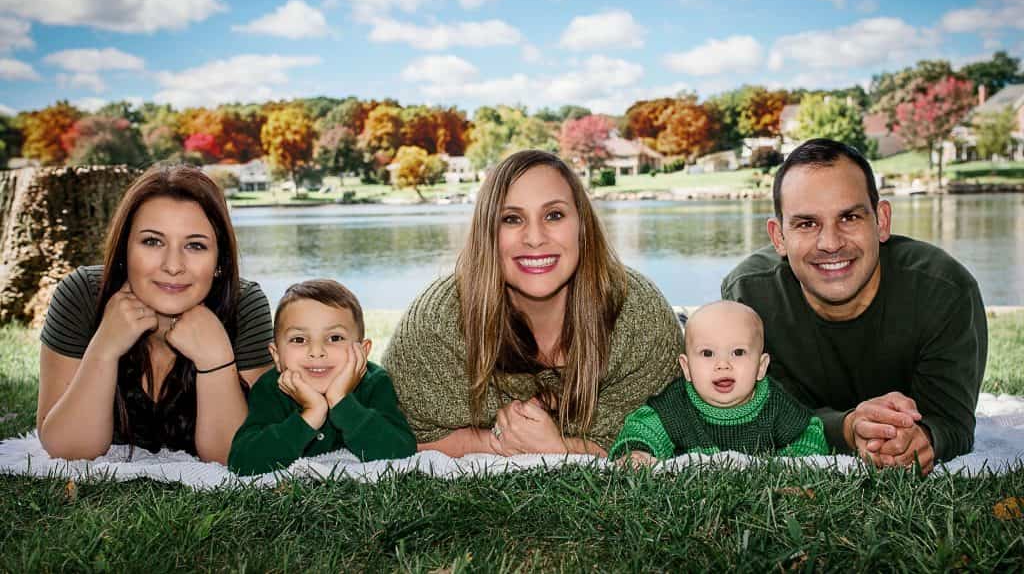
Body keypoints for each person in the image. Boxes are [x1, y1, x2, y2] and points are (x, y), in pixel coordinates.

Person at [383, 150, 683, 457]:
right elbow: (393, 431)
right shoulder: (436, 325)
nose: (535, 238)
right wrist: (494, 442)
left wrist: (559, 447)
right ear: (487, 233)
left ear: (582, 225)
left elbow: (670, 432)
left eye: (554, 215)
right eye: (511, 219)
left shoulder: (639, 316)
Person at [722, 138, 987, 475]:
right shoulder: (748, 296)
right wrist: (846, 429)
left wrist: (922, 437)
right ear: (778, 237)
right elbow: (755, 414)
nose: (830, 243)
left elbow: (952, 421)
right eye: (806, 224)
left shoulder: (945, 291)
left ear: (882, 220)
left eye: (849, 217)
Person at [36, 165, 275, 463]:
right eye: (152, 241)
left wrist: (216, 361)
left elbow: (237, 453)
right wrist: (104, 349)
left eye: (195, 245)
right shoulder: (83, 294)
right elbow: (67, 449)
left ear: (219, 260)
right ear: (124, 249)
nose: (173, 265)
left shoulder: (245, 305)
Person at [229, 280, 415, 475]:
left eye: (335, 338)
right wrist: (311, 413)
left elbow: (401, 451)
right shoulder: (271, 389)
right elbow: (242, 462)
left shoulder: (375, 382)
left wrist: (340, 400)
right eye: (299, 339)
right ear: (276, 355)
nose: (316, 352)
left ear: (363, 350)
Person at [610, 301, 828, 464]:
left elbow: (807, 433)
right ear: (686, 368)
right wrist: (638, 452)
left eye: (738, 352)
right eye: (707, 353)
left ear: (761, 367)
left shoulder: (775, 403)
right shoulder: (676, 405)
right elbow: (644, 428)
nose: (723, 364)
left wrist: (795, 464)